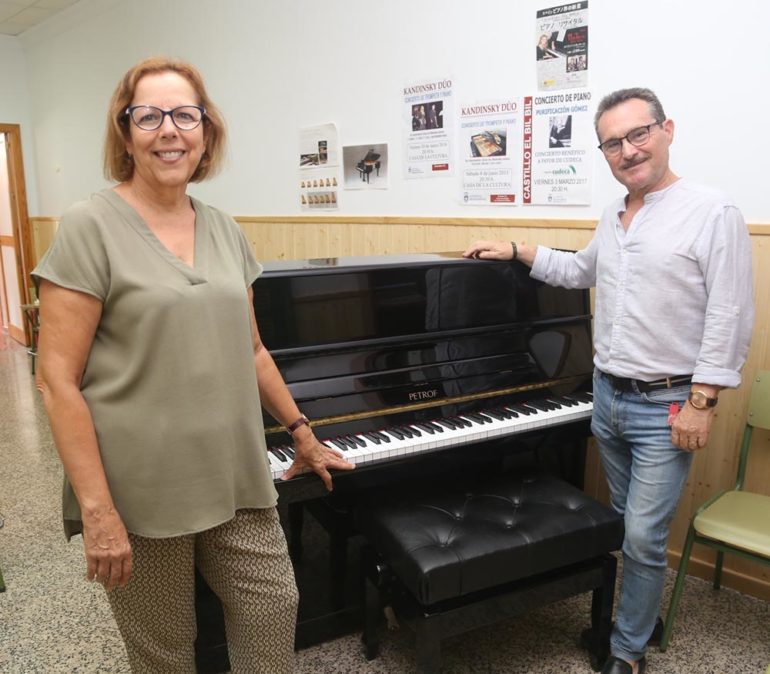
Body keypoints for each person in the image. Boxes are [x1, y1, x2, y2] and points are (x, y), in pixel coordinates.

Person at [33, 57, 354, 673]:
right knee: (166, 653)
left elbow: (252, 349)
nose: (169, 130)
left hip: (235, 474)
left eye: (185, 115)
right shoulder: (88, 228)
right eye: (148, 116)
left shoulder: (226, 230)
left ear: (206, 132)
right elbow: (58, 382)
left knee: (273, 611)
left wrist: (302, 434)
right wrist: (98, 511)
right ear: (125, 133)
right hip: (140, 490)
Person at [463, 87, 754, 674]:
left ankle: (625, 652)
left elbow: (730, 314)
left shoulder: (711, 210)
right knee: (628, 524)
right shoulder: (615, 214)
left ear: (667, 129)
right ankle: (643, 616)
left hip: (668, 403)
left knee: (645, 537)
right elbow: (578, 270)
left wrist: (702, 401)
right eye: (613, 143)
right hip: (609, 397)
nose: (628, 150)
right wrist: (518, 248)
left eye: (638, 134)